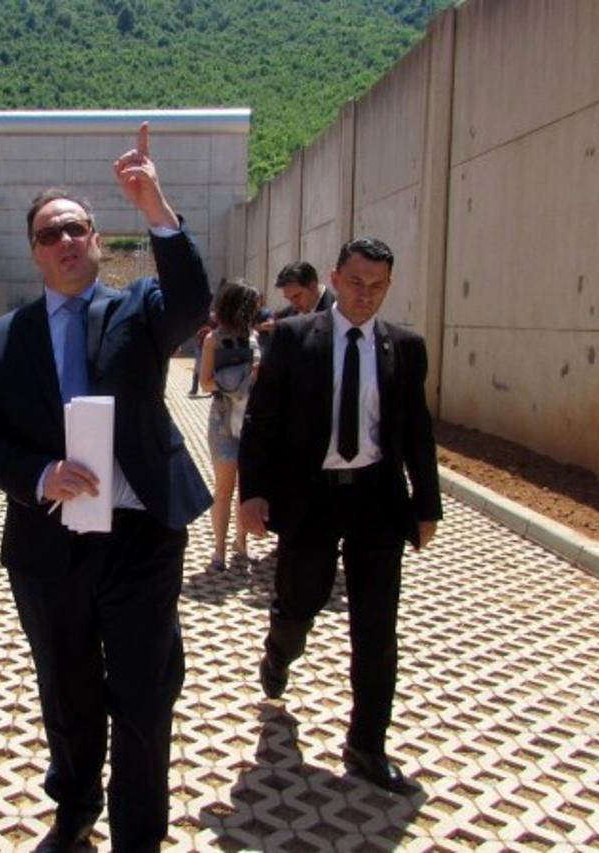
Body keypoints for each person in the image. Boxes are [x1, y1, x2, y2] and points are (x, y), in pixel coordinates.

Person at [0, 123, 211, 851]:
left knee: (143, 696)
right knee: (67, 691)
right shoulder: (2, 339)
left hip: (140, 539)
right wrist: (41, 475)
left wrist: (155, 204)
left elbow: (193, 300)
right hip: (49, 544)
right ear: (35, 251)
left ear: (98, 240)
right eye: (50, 233)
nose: (65, 240)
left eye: (77, 228)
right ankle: (74, 806)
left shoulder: (140, 310)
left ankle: (139, 835)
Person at [238, 237, 442, 793]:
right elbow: (261, 419)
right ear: (334, 277)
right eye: (355, 282)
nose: (364, 294)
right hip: (311, 499)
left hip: (377, 500)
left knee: (376, 627)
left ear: (389, 286)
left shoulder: (406, 347)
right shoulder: (294, 338)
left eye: (377, 286)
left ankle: (367, 745)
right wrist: (252, 493)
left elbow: (418, 432)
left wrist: (427, 505)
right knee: (298, 603)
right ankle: (279, 652)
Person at [199, 279, 260, 573]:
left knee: (246, 488)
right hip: (223, 420)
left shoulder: (254, 337)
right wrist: (236, 381)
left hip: (250, 422)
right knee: (224, 488)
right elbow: (205, 382)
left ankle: (241, 542)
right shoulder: (213, 340)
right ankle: (219, 549)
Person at [188, 313, 214, 396]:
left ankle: (210, 391)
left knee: (207, 369)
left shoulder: (209, 327)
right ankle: (194, 389)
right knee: (197, 369)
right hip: (200, 348)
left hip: (206, 348)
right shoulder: (201, 326)